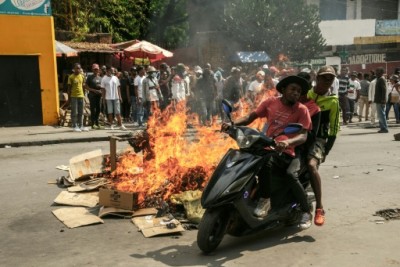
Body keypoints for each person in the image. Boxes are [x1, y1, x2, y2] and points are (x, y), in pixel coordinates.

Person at [223, 75, 313, 230]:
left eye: (299, 91)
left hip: (287, 152)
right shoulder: (270, 102)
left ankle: (272, 201)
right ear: (283, 89)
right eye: (293, 89)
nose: (296, 93)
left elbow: (303, 135)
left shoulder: (302, 110)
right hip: (267, 145)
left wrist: (287, 142)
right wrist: (231, 125)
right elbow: (250, 117)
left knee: (281, 170)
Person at [307, 65, 340, 226]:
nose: (327, 81)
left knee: (311, 165)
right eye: (324, 77)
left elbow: (334, 128)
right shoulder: (306, 94)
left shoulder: (333, 101)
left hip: (318, 140)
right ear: (316, 78)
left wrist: (326, 150)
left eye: (331, 78)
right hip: (298, 136)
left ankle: (319, 207)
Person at [100, 66, 126, 130]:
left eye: (113, 71)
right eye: (111, 70)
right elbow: (103, 90)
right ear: (107, 70)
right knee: (110, 112)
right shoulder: (104, 79)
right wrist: (103, 99)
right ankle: (111, 125)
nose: (112, 72)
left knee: (118, 112)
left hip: (116, 97)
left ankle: (120, 125)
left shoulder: (115, 78)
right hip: (108, 98)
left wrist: (120, 97)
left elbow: (118, 88)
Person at [67, 63, 89, 132]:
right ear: (74, 69)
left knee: (81, 112)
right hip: (74, 96)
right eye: (77, 68)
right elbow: (69, 89)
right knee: (74, 112)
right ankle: (74, 126)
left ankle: (81, 125)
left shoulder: (82, 76)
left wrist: (84, 96)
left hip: (81, 96)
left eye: (79, 68)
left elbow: (83, 87)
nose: (78, 69)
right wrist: (69, 98)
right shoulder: (71, 77)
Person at [86, 63, 103, 129]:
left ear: (99, 70)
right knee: (93, 109)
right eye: (95, 69)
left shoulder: (100, 78)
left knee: (98, 109)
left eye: (97, 69)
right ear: (92, 70)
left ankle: (97, 122)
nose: (96, 70)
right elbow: (86, 86)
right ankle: (93, 123)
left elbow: (102, 87)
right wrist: (93, 90)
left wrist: (101, 90)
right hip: (92, 95)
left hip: (99, 95)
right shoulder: (90, 77)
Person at [374, 67, 389, 133]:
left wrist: (383, 99)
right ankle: (382, 128)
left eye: (377, 71)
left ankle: (384, 128)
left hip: (380, 100)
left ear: (381, 72)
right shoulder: (378, 79)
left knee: (381, 115)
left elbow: (384, 90)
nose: (376, 72)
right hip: (378, 100)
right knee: (380, 115)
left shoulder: (381, 79)